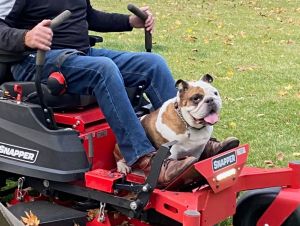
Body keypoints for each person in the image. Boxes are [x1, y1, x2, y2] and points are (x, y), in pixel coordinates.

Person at [0, 0, 238, 185]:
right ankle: (142, 159)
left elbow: (87, 17)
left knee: (152, 64)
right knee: (104, 69)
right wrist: (26, 36)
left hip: (79, 55)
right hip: (34, 60)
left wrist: (128, 22)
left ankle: (195, 142)